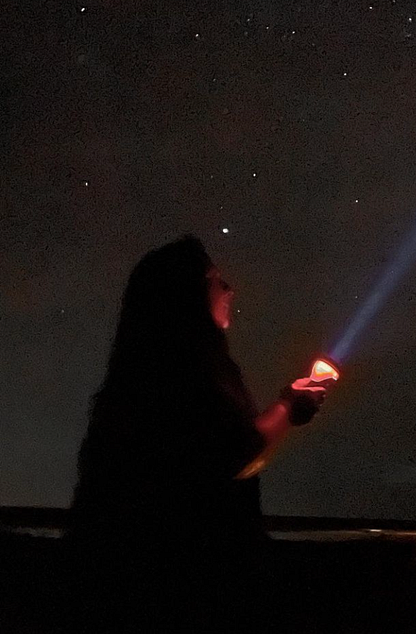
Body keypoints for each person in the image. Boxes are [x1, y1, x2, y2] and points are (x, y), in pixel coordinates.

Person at [62, 236, 329, 632]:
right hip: (190, 585)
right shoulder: (190, 374)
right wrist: (289, 406)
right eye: (216, 280)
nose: (229, 289)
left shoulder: (139, 376)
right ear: (186, 295)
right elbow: (236, 452)